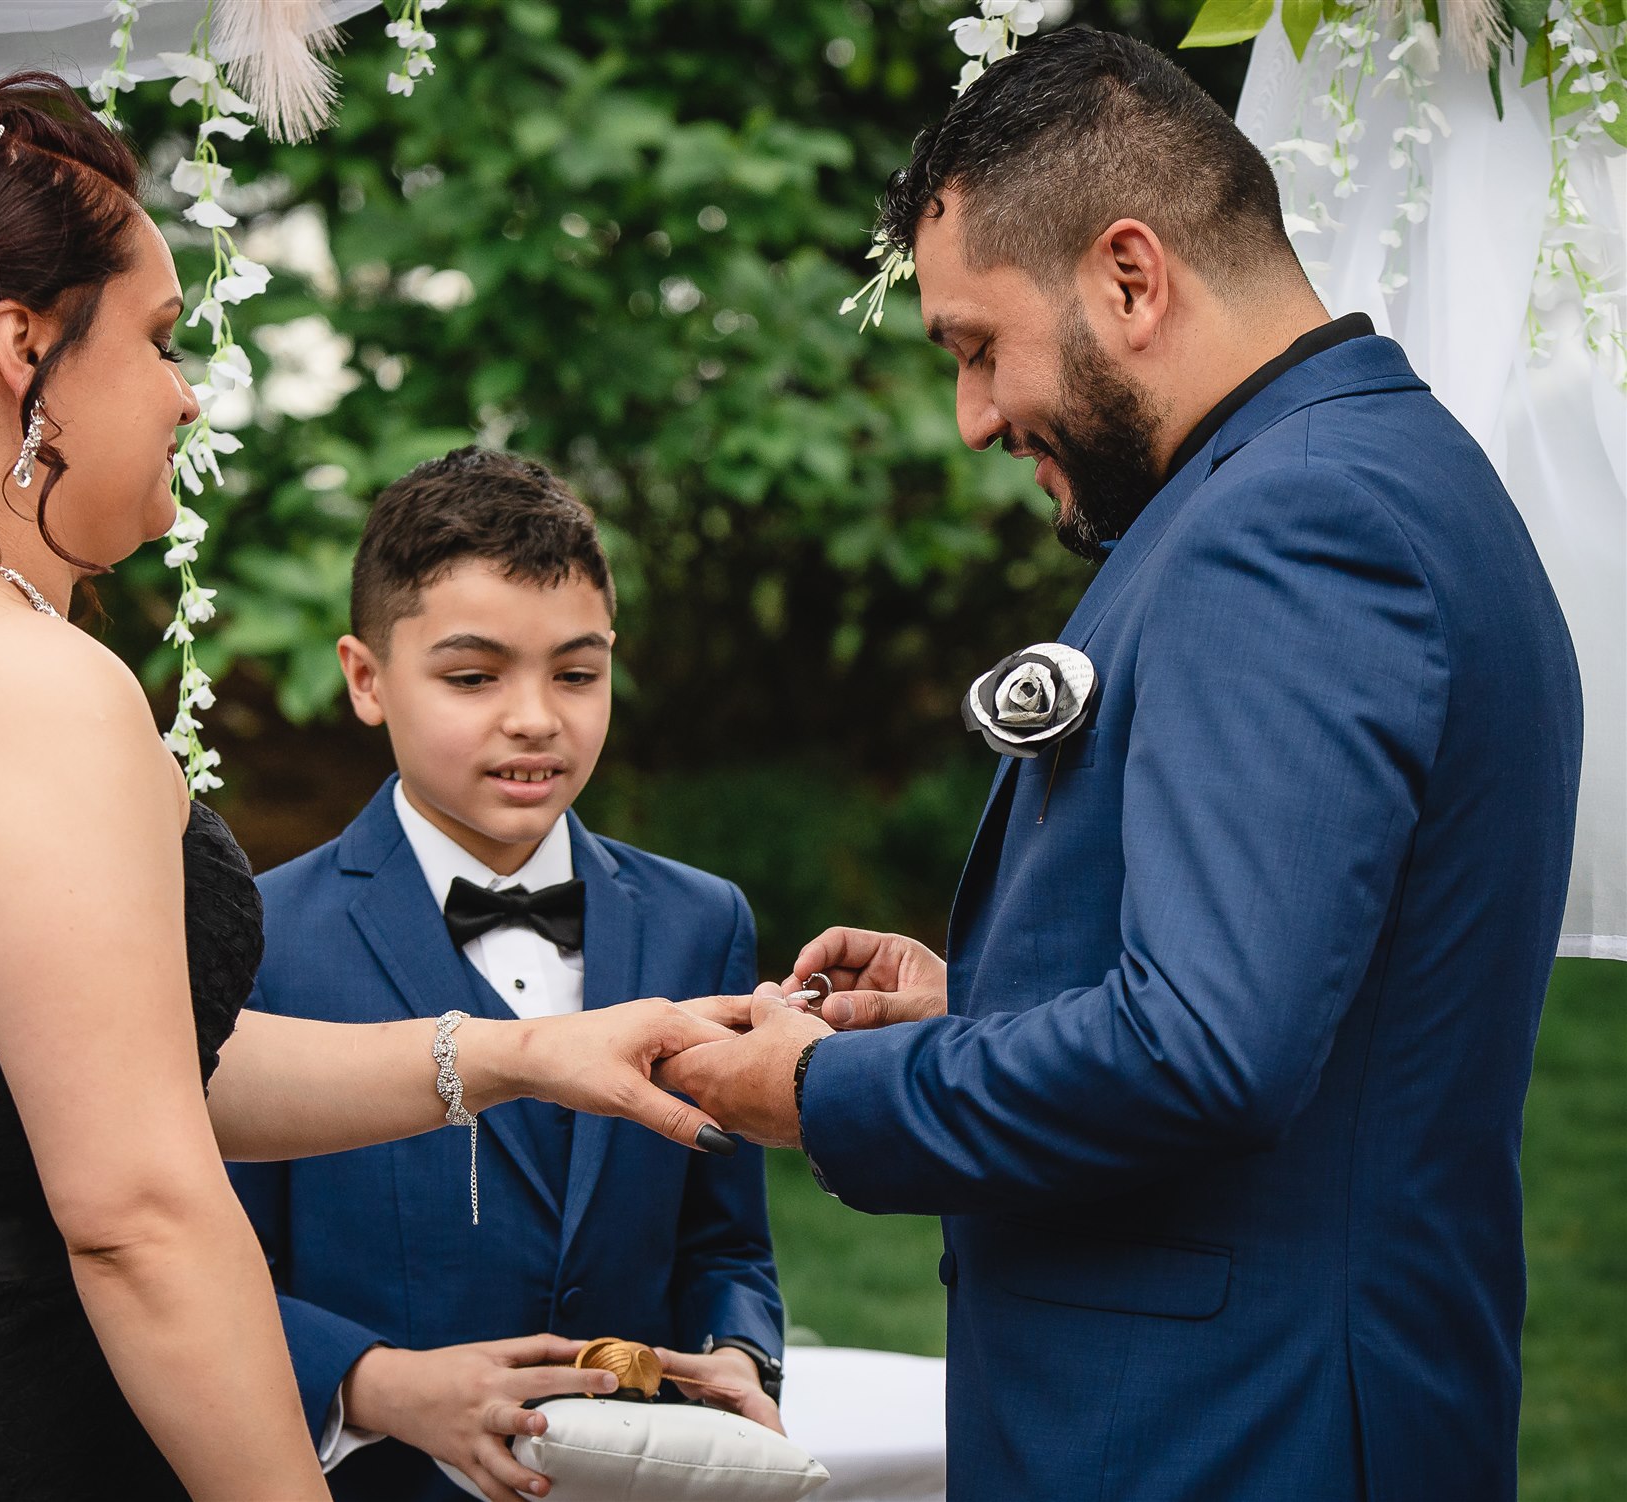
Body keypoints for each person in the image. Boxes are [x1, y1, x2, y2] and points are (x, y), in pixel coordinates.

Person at [0, 74, 738, 1502]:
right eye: (161, 336)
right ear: (24, 349)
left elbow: (96, 1066)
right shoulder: (24, 684)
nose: (190, 390)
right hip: (3, 1422)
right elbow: (134, 1206)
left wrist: (511, 1056)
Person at [661, 29, 1581, 1502]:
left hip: (1227, 1431)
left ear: (1131, 276)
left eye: (976, 346)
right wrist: (982, 1003)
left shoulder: (1292, 529)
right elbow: (1316, 1001)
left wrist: (831, 1084)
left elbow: (1207, 1052)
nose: (971, 417)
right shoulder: (1386, 470)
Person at [227, 447, 785, 1502]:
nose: (535, 716)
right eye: (473, 676)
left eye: (576, 672)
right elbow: (205, 1259)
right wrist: (379, 1384)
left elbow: (725, 1237)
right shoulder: (258, 935)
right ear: (363, 677)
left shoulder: (699, 921)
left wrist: (738, 1354)